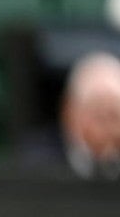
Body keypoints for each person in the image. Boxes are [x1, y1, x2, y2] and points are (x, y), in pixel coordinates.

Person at [24, 51, 120, 180]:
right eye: (99, 115)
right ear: (69, 111)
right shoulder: (36, 161)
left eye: (113, 115)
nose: (107, 126)